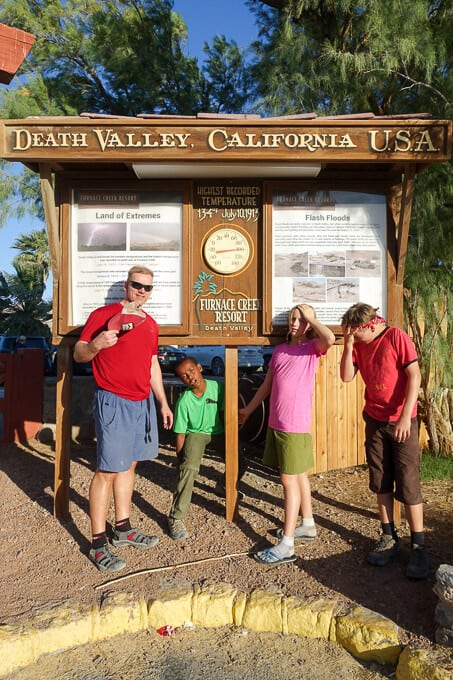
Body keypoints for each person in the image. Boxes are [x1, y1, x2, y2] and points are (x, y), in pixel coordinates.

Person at [74, 265, 173, 573]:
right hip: (113, 400)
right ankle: (98, 543)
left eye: (147, 287)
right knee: (107, 470)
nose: (142, 291)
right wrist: (94, 346)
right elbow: (79, 353)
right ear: (126, 286)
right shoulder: (103, 315)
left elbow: (151, 364)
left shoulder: (152, 324)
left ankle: (123, 528)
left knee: (130, 465)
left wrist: (163, 402)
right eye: (137, 285)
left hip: (142, 403)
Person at [238, 304, 335, 565]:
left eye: (301, 320)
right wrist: (248, 409)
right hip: (276, 424)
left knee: (288, 481)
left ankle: (287, 544)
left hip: (295, 426)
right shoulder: (280, 351)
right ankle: (308, 524)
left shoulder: (312, 349)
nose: (295, 323)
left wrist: (312, 319)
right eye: (293, 318)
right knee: (299, 474)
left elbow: (329, 339)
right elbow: (267, 386)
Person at [339, 303, 428, 580]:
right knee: (380, 479)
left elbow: (414, 376)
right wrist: (347, 344)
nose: (352, 335)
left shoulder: (395, 337)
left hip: (402, 420)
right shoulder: (357, 343)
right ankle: (388, 535)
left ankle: (419, 545)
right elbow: (346, 376)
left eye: (355, 331)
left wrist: (404, 417)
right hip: (375, 419)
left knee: (408, 481)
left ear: (370, 324)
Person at [167, 356, 247, 540]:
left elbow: (224, 413)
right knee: (189, 469)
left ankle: (223, 486)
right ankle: (175, 517)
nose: (189, 377)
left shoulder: (217, 387)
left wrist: (233, 431)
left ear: (200, 368)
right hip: (196, 433)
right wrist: (181, 459)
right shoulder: (184, 401)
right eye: (184, 376)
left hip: (218, 431)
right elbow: (180, 434)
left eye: (191, 370)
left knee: (240, 463)